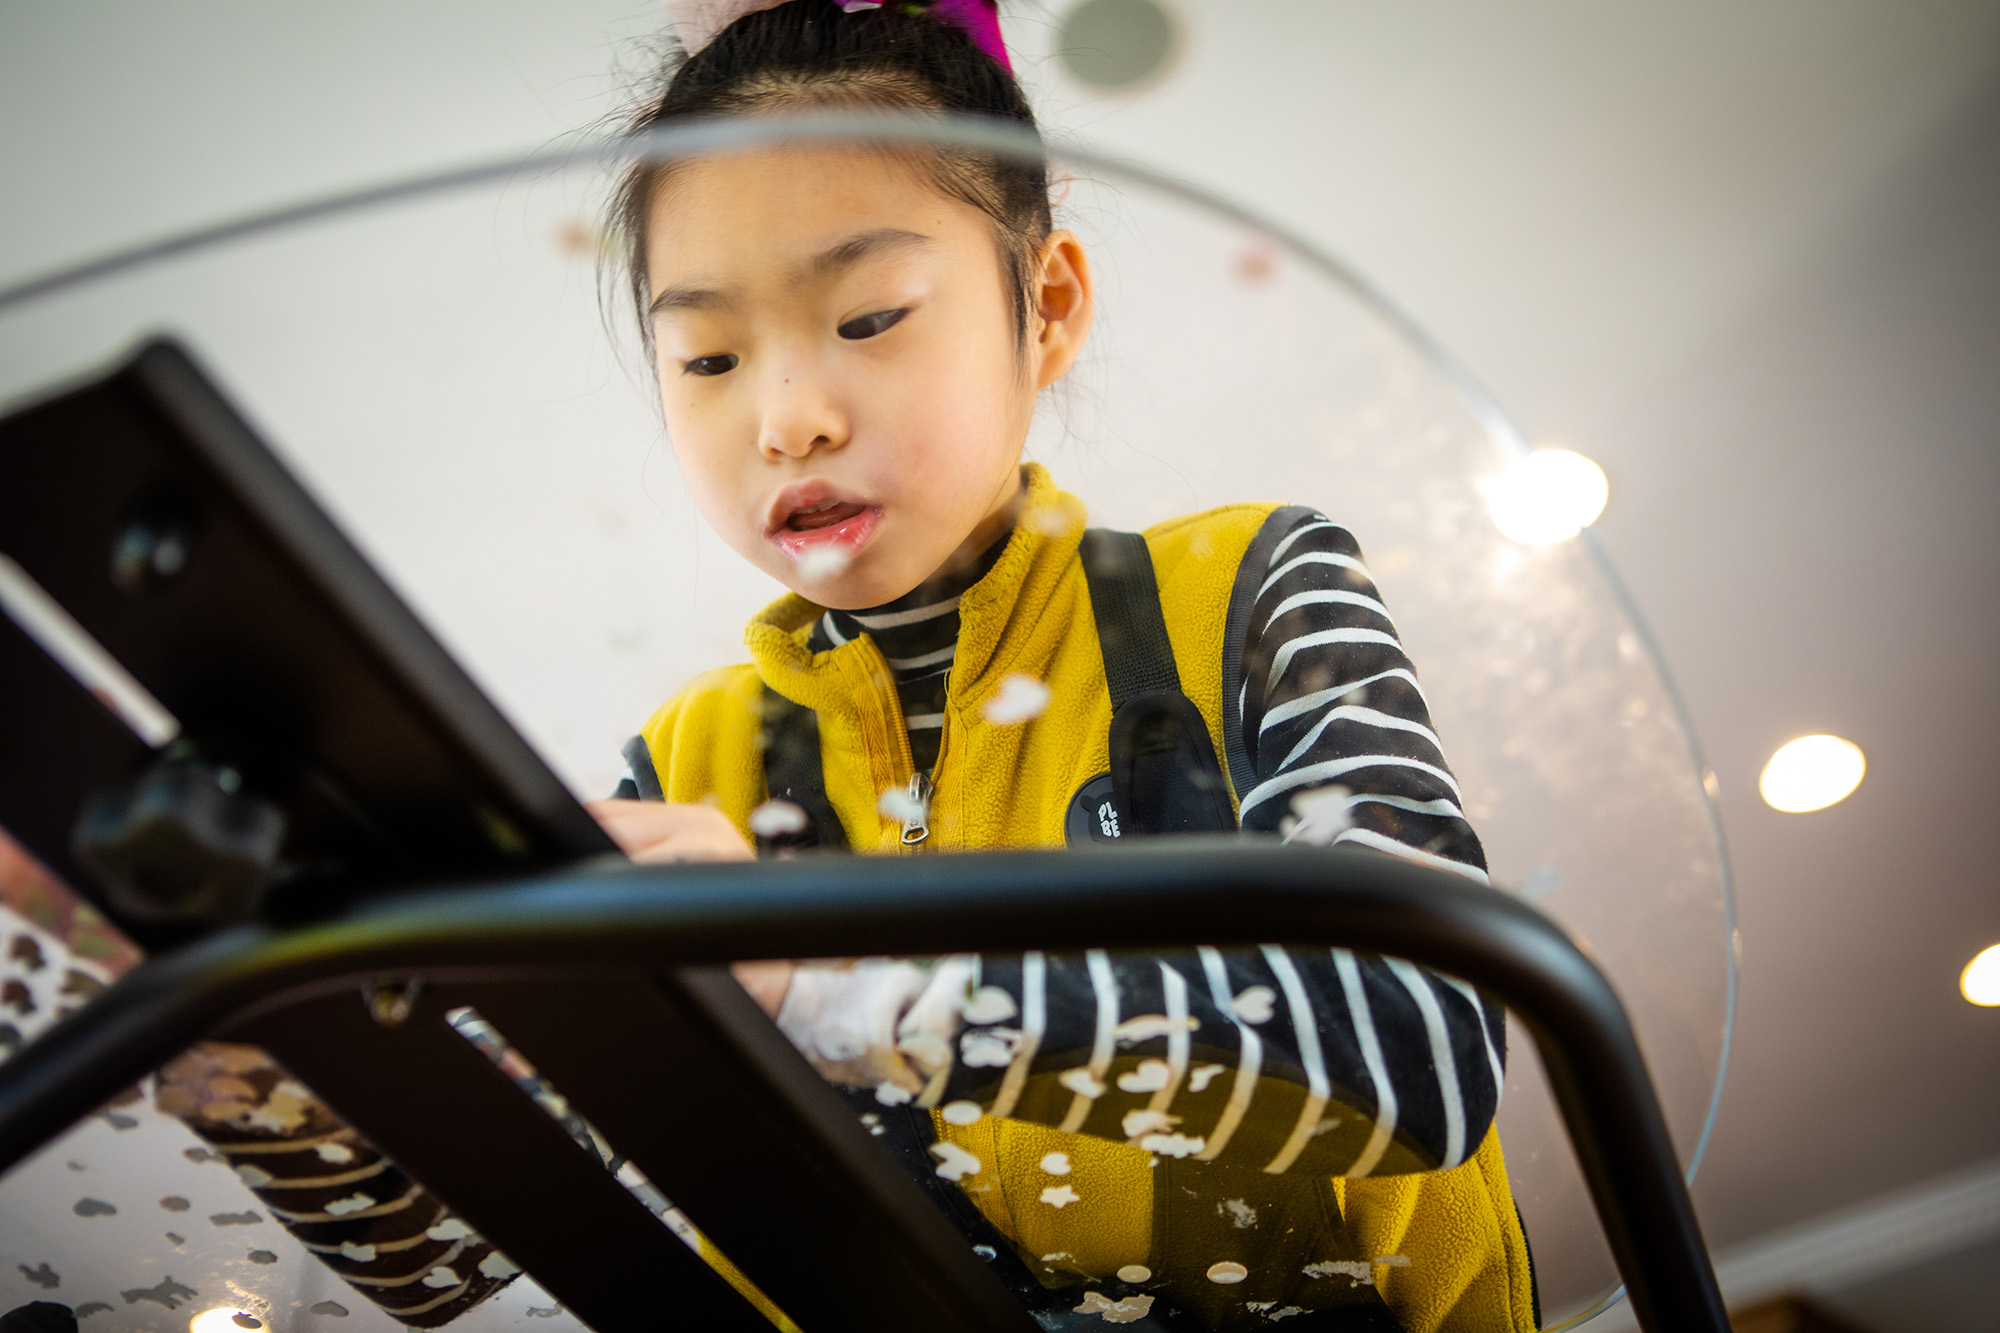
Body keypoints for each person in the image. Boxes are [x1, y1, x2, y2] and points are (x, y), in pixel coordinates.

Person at [589, 3, 1537, 1329]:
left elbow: (1423, 1044)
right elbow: (451, 1261)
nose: (787, 418)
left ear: (1046, 306)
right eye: (708, 356)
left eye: (867, 317)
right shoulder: (683, 766)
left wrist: (831, 991)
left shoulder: (1246, 589)